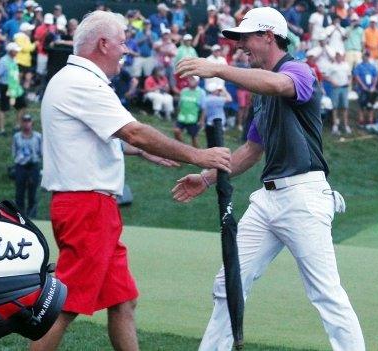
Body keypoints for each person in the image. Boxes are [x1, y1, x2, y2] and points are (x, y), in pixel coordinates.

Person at [31, 10, 231, 351]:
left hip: (91, 206)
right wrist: (199, 155)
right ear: (103, 44)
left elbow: (102, 137)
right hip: (87, 207)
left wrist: (142, 152)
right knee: (65, 307)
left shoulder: (73, 79)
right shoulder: (83, 82)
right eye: (123, 43)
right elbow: (134, 131)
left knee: (124, 302)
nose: (127, 50)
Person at [175, 7, 366, 351]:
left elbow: (281, 84)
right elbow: (250, 151)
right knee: (227, 284)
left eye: (245, 38)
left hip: (304, 197)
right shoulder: (261, 91)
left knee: (326, 294)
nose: (240, 46)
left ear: (268, 36)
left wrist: (218, 68)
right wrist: (206, 179)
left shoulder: (298, 70)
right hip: (268, 199)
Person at [11, 113, 42, 218]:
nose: (26, 124)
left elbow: (41, 152)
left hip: (33, 166)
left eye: (28, 121)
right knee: (19, 193)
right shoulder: (17, 137)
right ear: (21, 123)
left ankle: (32, 216)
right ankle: (20, 216)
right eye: (24, 121)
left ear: (31, 123)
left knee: (32, 193)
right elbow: (14, 151)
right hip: (21, 166)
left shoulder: (38, 136)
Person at [0, 42, 27, 135]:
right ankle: (2, 130)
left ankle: (17, 125)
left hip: (15, 86)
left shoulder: (14, 59)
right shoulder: (3, 61)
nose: (17, 52)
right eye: (15, 51)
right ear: (10, 51)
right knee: (3, 108)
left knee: (22, 106)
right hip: (6, 86)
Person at [326, 51, 352, 135]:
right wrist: (333, 82)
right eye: (337, 56)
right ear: (336, 56)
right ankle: (335, 125)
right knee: (335, 107)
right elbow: (326, 76)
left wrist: (349, 81)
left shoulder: (346, 65)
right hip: (336, 88)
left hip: (344, 88)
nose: (339, 57)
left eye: (340, 56)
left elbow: (349, 75)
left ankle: (345, 125)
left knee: (345, 107)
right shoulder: (332, 66)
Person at [174, 75, 204, 147]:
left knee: (194, 139)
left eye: (193, 79)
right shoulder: (184, 91)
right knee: (176, 131)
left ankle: (197, 153)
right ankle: (184, 147)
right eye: (190, 79)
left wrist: (202, 120)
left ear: (197, 82)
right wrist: (176, 117)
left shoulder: (201, 92)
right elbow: (180, 105)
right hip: (182, 117)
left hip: (193, 119)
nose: (191, 81)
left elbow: (203, 108)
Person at [201, 81, 232, 147]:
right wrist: (224, 90)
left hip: (209, 123)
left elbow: (204, 112)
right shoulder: (218, 99)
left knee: (210, 145)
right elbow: (229, 99)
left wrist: (202, 121)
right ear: (213, 91)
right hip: (218, 124)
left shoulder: (206, 99)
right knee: (219, 144)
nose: (219, 91)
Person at [353, 51, 378, 128]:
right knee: (362, 104)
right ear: (362, 56)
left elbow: (375, 76)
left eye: (367, 56)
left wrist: (373, 86)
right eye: (365, 56)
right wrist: (363, 86)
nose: (366, 57)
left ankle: (370, 120)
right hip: (361, 89)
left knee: (370, 104)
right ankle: (361, 120)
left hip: (370, 89)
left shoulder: (372, 66)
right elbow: (357, 77)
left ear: (368, 57)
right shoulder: (359, 66)